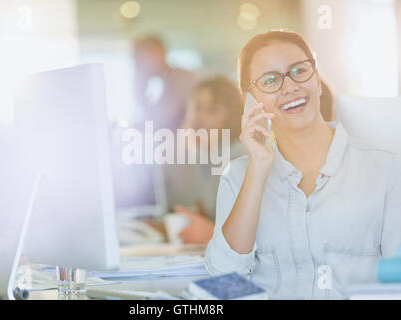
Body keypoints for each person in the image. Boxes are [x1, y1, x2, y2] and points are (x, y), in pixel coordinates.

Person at [205, 30, 401, 299]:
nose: (290, 87)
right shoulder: (238, 176)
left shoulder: (387, 170)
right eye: (270, 80)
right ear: (251, 101)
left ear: (318, 81)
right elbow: (225, 278)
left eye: (299, 70)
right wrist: (258, 167)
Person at [171, 76, 246, 244]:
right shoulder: (207, 156)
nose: (200, 117)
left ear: (232, 117)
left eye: (212, 110)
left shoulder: (238, 155)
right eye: (197, 108)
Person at [133, 34, 202, 132]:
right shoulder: (160, 85)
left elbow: (161, 120)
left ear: (160, 51)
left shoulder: (183, 78)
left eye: (141, 56)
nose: (138, 63)